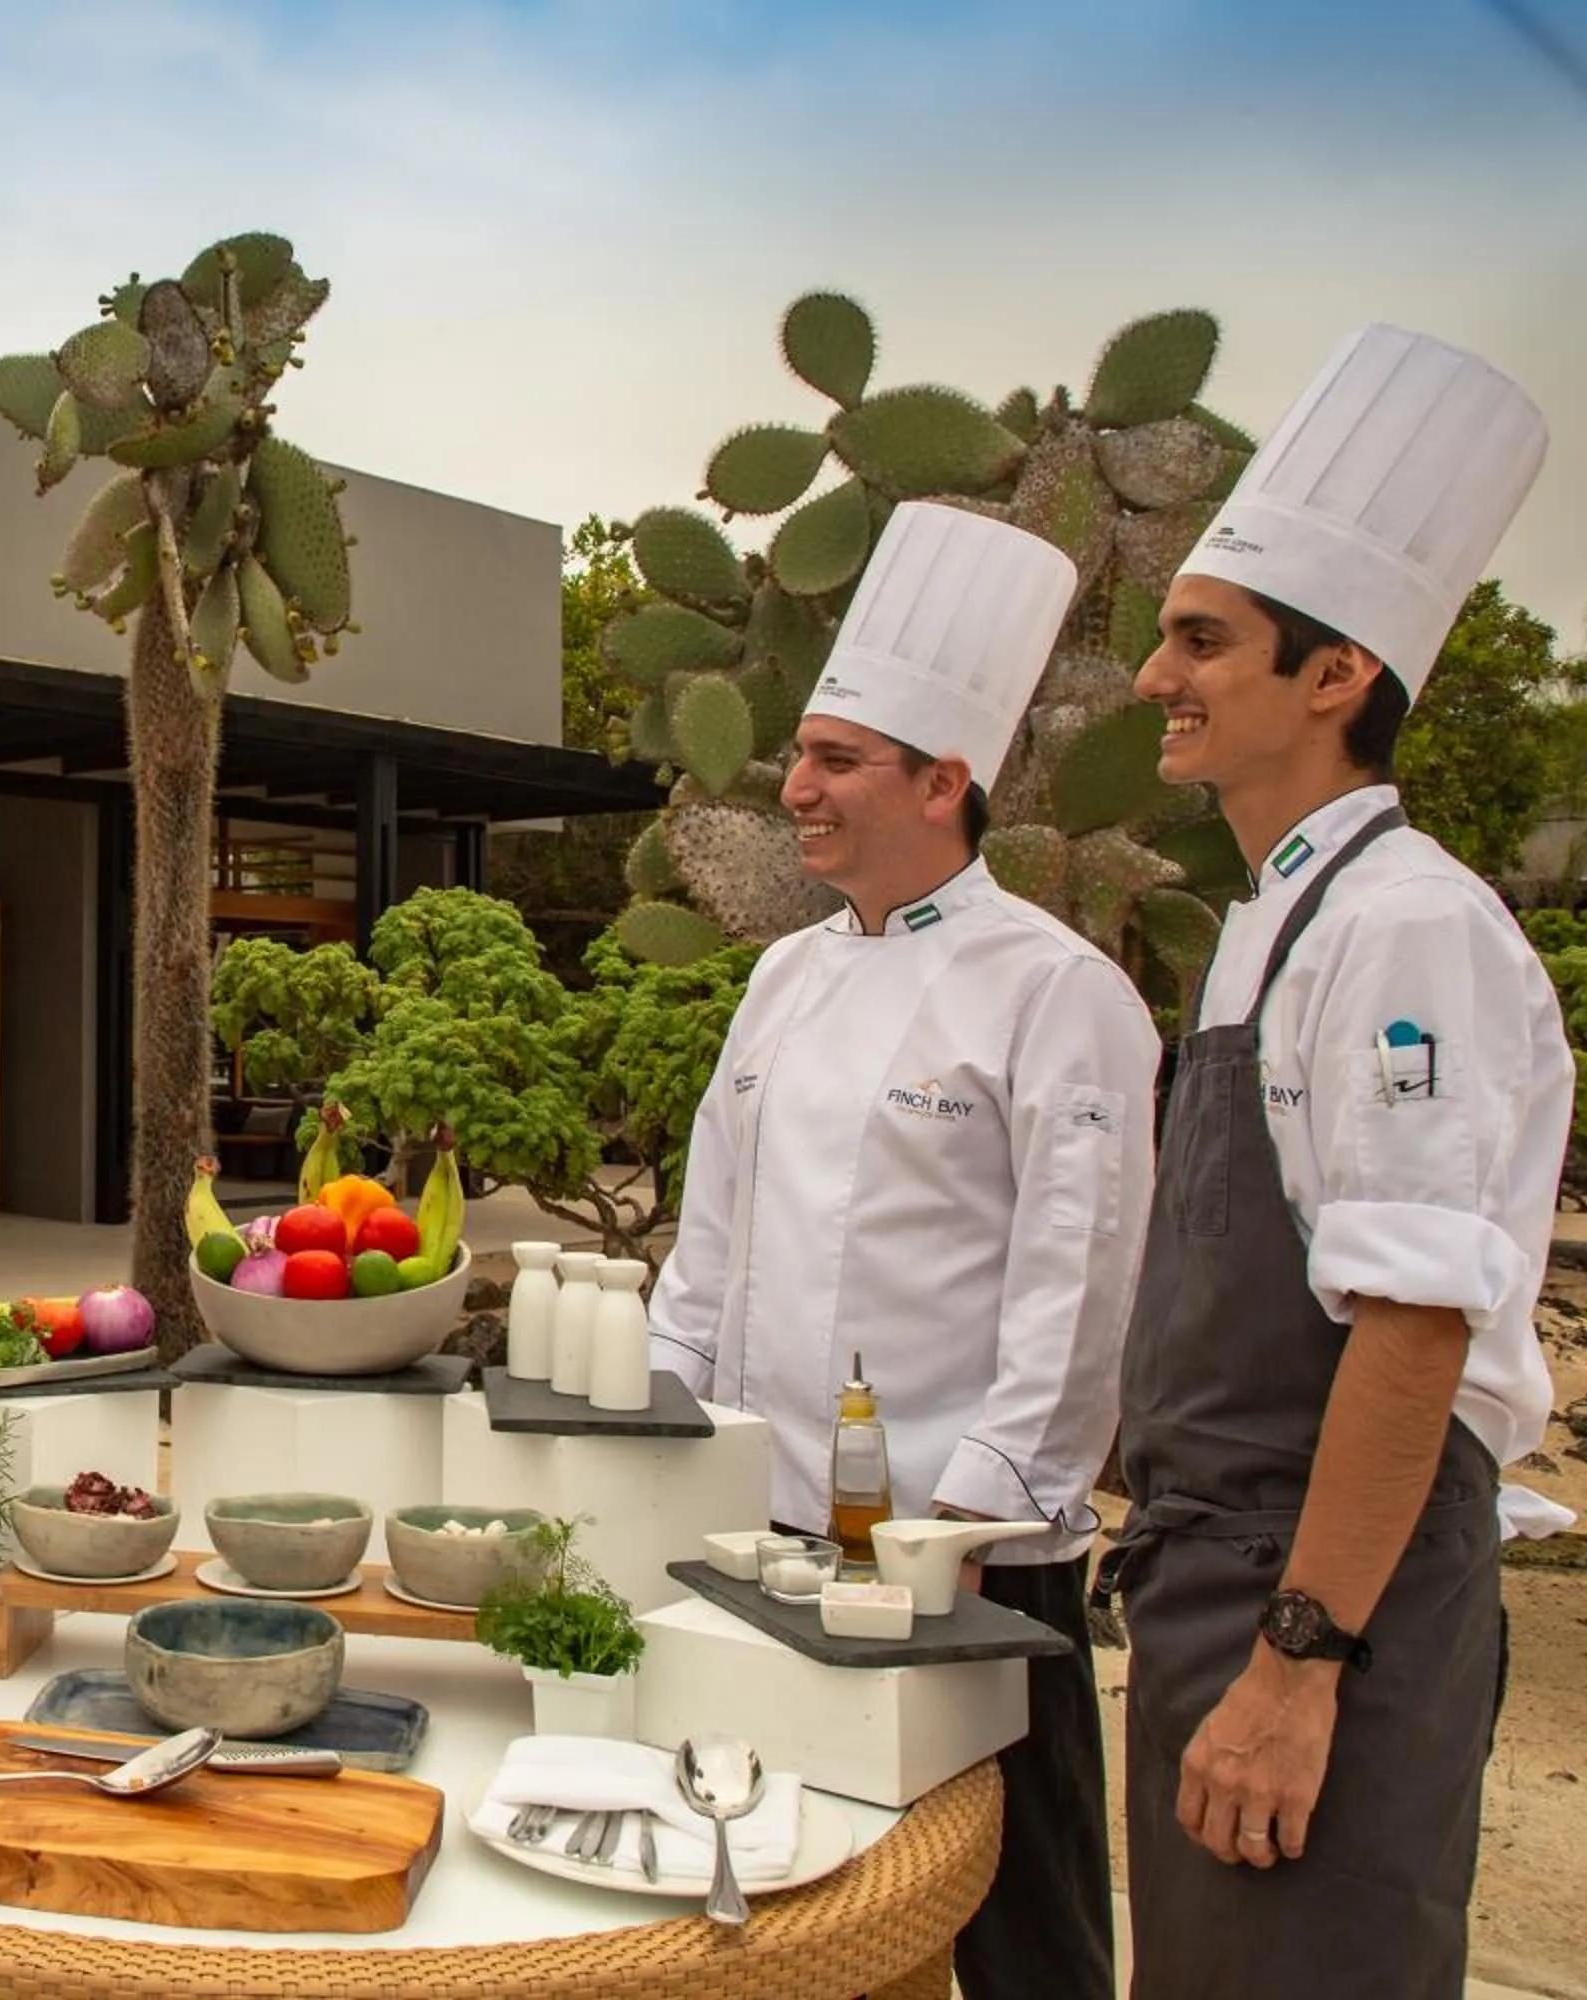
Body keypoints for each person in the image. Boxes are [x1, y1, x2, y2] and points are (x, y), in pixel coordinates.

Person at [1108, 325, 1568, 1999]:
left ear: (1335, 676)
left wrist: (1299, 1665)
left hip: (1322, 1593)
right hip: (1222, 1578)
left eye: (1202, 641)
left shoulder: (1407, 927)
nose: (1157, 677)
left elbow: (1414, 1332)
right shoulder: (1277, 920)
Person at [650, 502, 1160, 1996]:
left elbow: (1080, 1290)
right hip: (775, 1533)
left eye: (835, 761)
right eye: (800, 754)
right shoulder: (783, 980)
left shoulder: (1055, 992)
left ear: (946, 783)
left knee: (1023, 1922)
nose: (794, 787)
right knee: (800, 1903)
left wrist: (972, 1522)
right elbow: (713, 1234)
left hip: (970, 1557)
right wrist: (671, 1410)